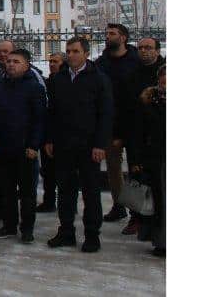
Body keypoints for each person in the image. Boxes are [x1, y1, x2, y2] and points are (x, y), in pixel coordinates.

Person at [45, 36, 113, 253]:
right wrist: (49, 139)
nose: (71, 55)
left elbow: (105, 114)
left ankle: (92, 235)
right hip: (64, 144)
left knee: (91, 192)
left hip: (88, 146)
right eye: (69, 51)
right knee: (65, 191)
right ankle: (66, 231)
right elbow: (52, 112)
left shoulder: (98, 79)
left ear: (86, 53)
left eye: (75, 51)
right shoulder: (59, 79)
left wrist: (100, 144)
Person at [0, 49, 47, 243]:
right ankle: (9, 225)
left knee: (28, 193)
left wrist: (34, 145)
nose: (11, 64)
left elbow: (40, 119)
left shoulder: (34, 87)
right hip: (3, 148)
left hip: (25, 149)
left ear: (26, 64)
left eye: (16, 61)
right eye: (9, 61)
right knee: (6, 191)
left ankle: (27, 229)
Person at [95, 23, 141, 226]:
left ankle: (138, 214)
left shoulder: (135, 60)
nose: (107, 36)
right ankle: (118, 205)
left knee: (136, 169)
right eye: (106, 33)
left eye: (112, 33)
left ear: (123, 37)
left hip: (133, 123)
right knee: (113, 168)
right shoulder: (102, 62)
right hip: (110, 124)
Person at [131, 65, 166, 257]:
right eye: (163, 78)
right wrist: (136, 159)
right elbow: (138, 132)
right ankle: (161, 241)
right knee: (159, 201)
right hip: (156, 158)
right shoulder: (148, 101)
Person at [38, 52, 67, 214]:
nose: (51, 64)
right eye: (50, 61)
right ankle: (49, 200)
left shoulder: (65, 82)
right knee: (48, 171)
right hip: (46, 131)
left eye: (55, 61)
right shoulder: (47, 81)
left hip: (62, 134)